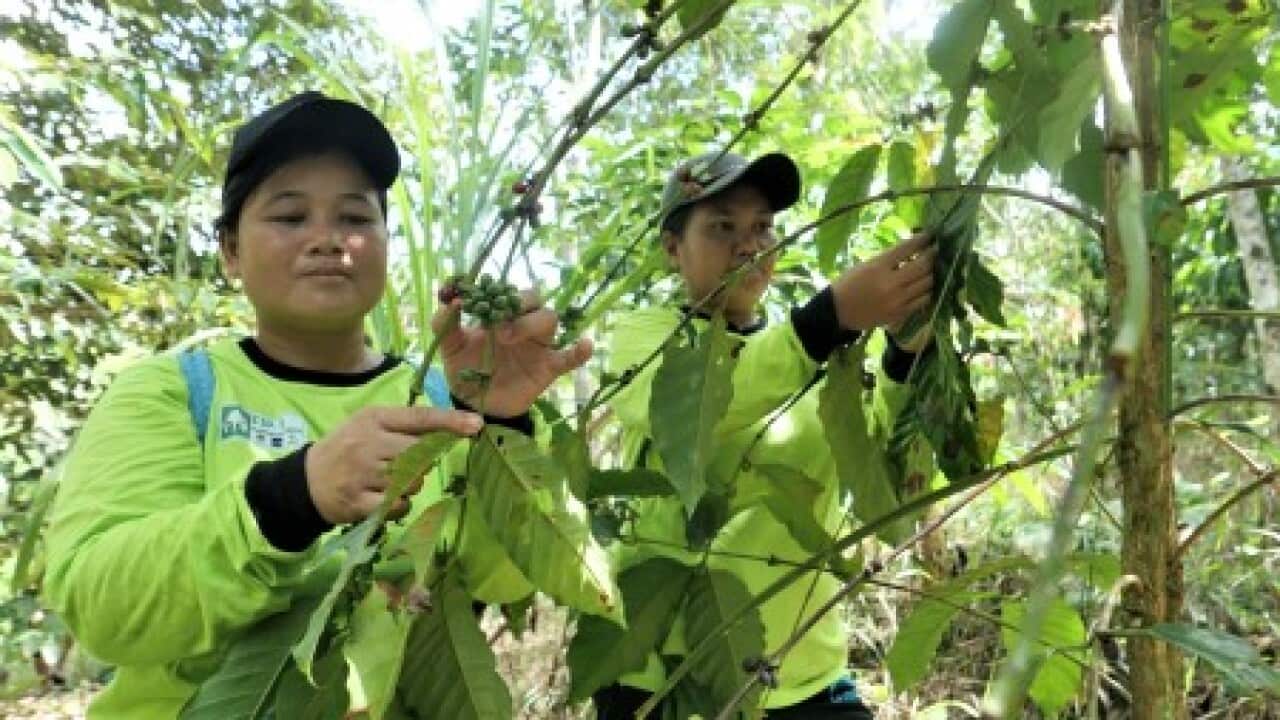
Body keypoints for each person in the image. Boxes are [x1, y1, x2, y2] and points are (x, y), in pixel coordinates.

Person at [41, 91, 592, 719]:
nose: (328, 239)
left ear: (386, 242)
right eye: (290, 216)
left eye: (356, 219)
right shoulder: (171, 392)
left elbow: (510, 579)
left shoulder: (441, 405)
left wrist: (500, 422)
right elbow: (105, 610)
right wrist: (291, 498)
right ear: (229, 250)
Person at [595, 151, 935, 718]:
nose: (749, 245)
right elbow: (696, 410)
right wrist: (828, 318)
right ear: (672, 248)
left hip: (804, 676)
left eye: (762, 228)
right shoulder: (646, 340)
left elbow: (889, 489)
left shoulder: (817, 363)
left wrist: (904, 359)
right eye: (723, 227)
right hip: (668, 681)